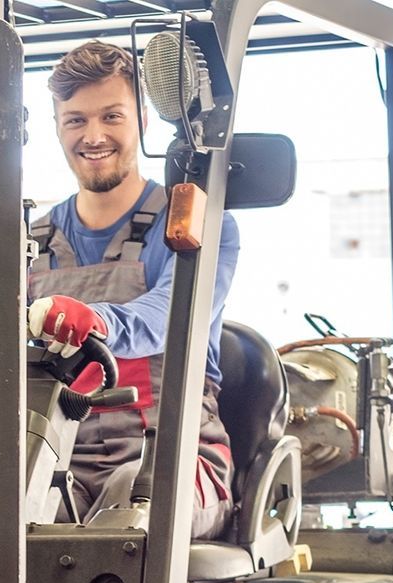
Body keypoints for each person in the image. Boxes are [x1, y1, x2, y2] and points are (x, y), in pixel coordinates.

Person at [28, 40, 242, 538]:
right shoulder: (30, 243)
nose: (93, 135)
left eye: (112, 116)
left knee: (129, 514)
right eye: (75, 120)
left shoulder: (195, 224)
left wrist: (95, 321)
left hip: (174, 453)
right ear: (58, 128)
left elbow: (166, 316)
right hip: (57, 452)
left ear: (142, 121)